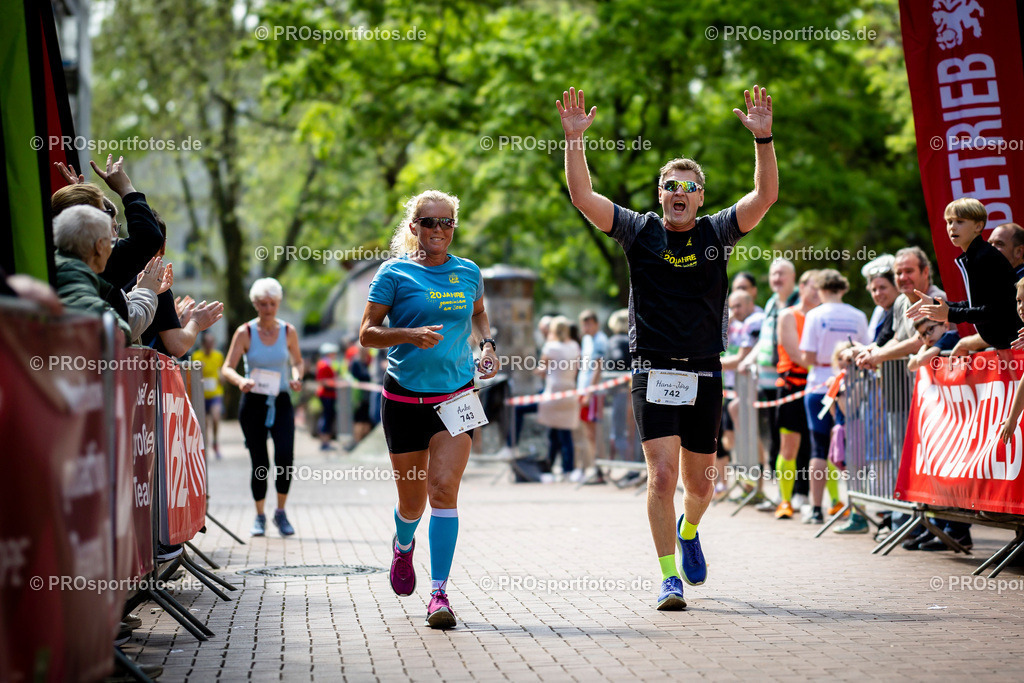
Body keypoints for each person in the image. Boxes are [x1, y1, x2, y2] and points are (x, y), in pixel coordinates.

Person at [559, 83, 777, 610]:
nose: (679, 191)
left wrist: (763, 138)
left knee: (701, 486)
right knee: (662, 474)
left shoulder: (717, 230)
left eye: (689, 185)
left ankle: (690, 529)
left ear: (700, 195)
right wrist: (573, 142)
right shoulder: (640, 231)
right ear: (660, 194)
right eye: (670, 184)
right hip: (652, 367)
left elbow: (765, 197)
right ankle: (667, 578)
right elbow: (583, 198)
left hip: (703, 368)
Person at [359, 189, 499, 630]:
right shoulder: (394, 273)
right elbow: (366, 333)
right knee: (412, 503)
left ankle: (439, 593)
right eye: (430, 221)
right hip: (403, 400)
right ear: (414, 226)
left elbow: (478, 316)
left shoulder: (468, 271)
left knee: (443, 490)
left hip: (456, 396)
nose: (439, 230)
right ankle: (403, 546)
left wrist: (488, 344)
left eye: (447, 223)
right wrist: (408, 334)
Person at [222, 277, 305, 538]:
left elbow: (298, 362)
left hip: (280, 399)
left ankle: (280, 512)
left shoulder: (288, 331)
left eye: (272, 303)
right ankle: (259, 516)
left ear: (278, 304)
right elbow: (226, 367)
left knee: (284, 458)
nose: (268, 308)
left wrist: (296, 376)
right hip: (254, 401)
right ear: (255, 304)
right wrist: (240, 381)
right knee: (260, 462)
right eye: (263, 304)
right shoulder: (244, 332)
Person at [798, 270, 870, 524]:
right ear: (843, 288)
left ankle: (816, 509)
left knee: (819, 450)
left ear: (819, 289)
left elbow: (806, 357)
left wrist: (826, 362)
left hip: (820, 387)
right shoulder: (858, 315)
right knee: (852, 448)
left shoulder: (814, 315)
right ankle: (855, 508)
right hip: (853, 389)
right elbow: (868, 352)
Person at [908, 198, 1019, 351]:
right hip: (1007, 346)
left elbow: (996, 310)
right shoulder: (975, 256)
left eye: (959, 221)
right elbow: (977, 305)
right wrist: (935, 304)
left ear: (978, 226)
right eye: (949, 222)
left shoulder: (985, 257)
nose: (952, 227)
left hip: (1015, 346)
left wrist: (951, 314)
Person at [51, 205, 163, 342]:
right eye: (111, 241)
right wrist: (146, 291)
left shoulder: (61, 269)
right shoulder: (76, 281)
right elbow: (120, 332)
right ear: (99, 245)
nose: (113, 248)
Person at [773, 270, 819, 519]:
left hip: (820, 387)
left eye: (821, 287)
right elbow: (796, 355)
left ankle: (827, 502)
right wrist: (823, 369)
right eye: (813, 286)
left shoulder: (823, 316)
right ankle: (785, 500)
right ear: (801, 287)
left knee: (821, 444)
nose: (816, 292)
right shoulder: (788, 316)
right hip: (793, 386)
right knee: (789, 447)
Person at [536, 316, 581, 481]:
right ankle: (567, 469)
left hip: (553, 392)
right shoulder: (575, 346)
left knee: (552, 433)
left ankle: (550, 467)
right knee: (566, 433)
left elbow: (542, 368)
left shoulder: (550, 346)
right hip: (569, 390)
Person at [576, 309, 609, 484]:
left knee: (593, 432)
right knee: (587, 431)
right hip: (584, 388)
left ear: (596, 323)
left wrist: (589, 391)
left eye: (588, 323)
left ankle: (599, 469)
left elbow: (598, 367)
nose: (585, 327)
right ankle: (593, 467)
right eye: (584, 323)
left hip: (593, 392)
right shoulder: (587, 339)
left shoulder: (600, 340)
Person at [192, 332, 225, 458]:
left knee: (216, 418)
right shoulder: (196, 356)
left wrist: (222, 377)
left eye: (212, 343)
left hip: (215, 393)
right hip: (201, 394)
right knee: (204, 423)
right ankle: (204, 447)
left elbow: (222, 370)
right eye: (207, 343)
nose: (209, 345)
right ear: (203, 344)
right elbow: (193, 374)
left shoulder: (218, 356)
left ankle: (215, 442)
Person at [347, 346, 375, 449]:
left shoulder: (367, 362)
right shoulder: (356, 362)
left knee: (366, 419)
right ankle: (357, 441)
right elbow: (356, 377)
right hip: (359, 396)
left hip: (367, 396)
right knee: (359, 419)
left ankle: (363, 442)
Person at [316, 343, 340, 451]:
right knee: (326, 417)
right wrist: (336, 383)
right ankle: (324, 441)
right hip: (326, 395)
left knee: (328, 417)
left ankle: (326, 441)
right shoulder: (323, 364)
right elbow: (323, 381)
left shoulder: (327, 363)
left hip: (329, 394)